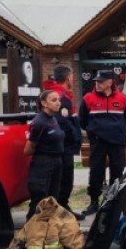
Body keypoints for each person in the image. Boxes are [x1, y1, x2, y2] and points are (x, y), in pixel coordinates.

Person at [79, 70, 126, 217]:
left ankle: (114, 202)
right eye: (96, 81)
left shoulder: (123, 99)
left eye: (101, 81)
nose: (97, 84)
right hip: (97, 142)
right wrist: (94, 132)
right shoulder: (88, 98)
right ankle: (93, 203)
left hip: (117, 142)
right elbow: (82, 121)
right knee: (95, 172)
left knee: (117, 172)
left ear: (110, 82)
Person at [42, 66, 83, 219]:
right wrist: (76, 137)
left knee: (61, 179)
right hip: (64, 146)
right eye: (72, 76)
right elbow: (64, 122)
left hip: (60, 145)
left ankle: (61, 207)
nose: (73, 79)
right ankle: (61, 208)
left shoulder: (56, 94)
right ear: (67, 78)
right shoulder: (61, 98)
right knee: (65, 179)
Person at [24, 90, 65, 220]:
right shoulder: (39, 122)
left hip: (57, 162)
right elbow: (28, 149)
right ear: (44, 103)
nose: (58, 103)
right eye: (54, 100)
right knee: (39, 201)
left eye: (58, 100)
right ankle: (30, 233)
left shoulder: (53, 118)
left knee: (53, 200)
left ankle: (48, 231)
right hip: (43, 165)